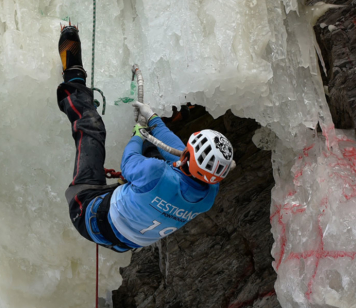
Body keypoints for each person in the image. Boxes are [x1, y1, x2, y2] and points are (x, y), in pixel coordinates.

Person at [56, 25, 234, 252]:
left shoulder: (156, 173)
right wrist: (154, 120)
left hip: (86, 211)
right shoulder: (209, 194)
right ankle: (170, 118)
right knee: (155, 151)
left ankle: (73, 76)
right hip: (123, 238)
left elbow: (129, 161)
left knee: (92, 129)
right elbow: (176, 151)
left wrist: (139, 133)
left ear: (189, 156)